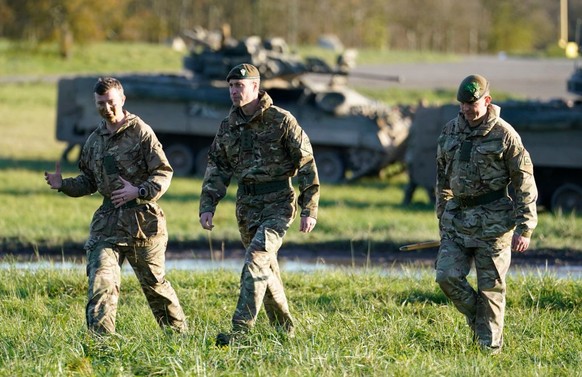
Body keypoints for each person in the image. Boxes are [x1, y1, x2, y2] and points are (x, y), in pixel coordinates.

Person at [44, 77, 187, 335]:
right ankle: (102, 345)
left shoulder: (141, 131)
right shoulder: (94, 140)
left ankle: (179, 338)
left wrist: (139, 190)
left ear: (122, 100)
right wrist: (62, 184)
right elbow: (88, 182)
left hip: (143, 224)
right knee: (101, 281)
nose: (106, 108)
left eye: (111, 102)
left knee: (155, 287)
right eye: (100, 103)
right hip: (107, 224)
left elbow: (163, 172)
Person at [198, 63, 320, 346]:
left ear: (255, 87)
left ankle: (240, 332)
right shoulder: (228, 127)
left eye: (239, 86)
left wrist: (309, 208)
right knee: (266, 268)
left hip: (278, 203)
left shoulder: (281, 120)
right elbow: (217, 167)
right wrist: (208, 204)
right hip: (246, 206)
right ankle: (285, 331)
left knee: (255, 261)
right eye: (230, 86)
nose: (233, 91)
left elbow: (306, 164)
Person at [434, 74, 538, 354]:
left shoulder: (505, 135)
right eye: (463, 105)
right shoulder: (450, 131)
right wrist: (442, 216)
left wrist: (525, 227)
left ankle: (488, 352)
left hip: (494, 222)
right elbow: (442, 180)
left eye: (473, 104)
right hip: (457, 220)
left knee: (491, 289)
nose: (467, 110)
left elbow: (523, 181)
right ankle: (480, 319)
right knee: (446, 276)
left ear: (487, 101)